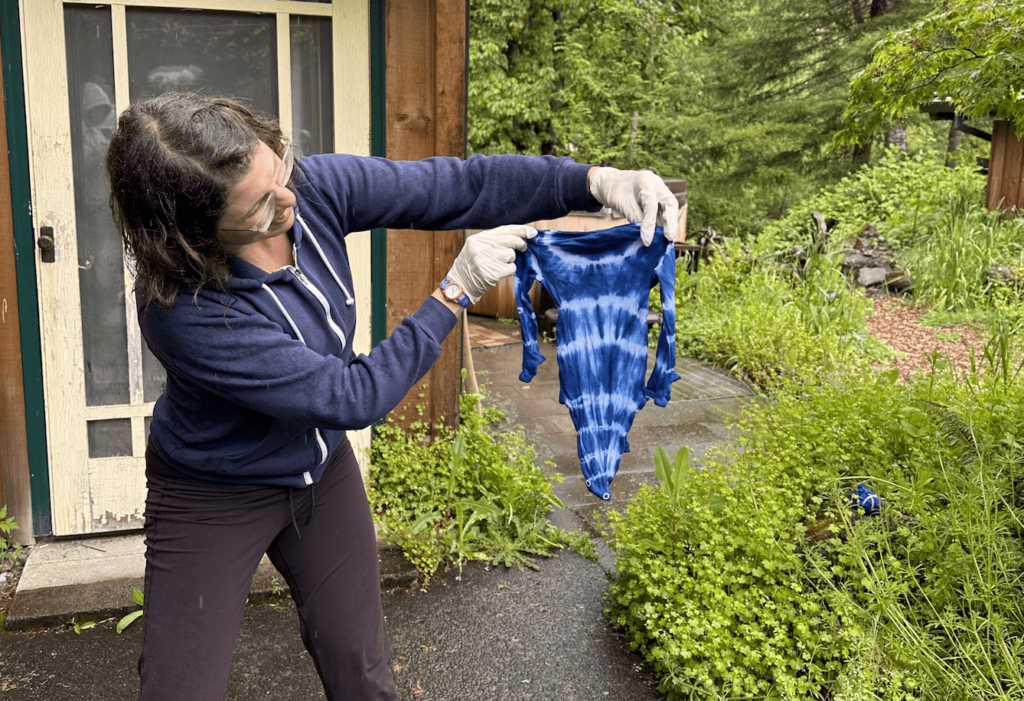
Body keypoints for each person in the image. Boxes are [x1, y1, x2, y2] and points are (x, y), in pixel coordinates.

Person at [104, 92, 678, 701]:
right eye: (260, 209)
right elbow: (350, 396)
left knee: (362, 670)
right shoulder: (182, 310)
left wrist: (597, 180)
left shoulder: (312, 189)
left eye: (278, 172)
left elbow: (459, 186)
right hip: (214, 491)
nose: (289, 201)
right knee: (177, 690)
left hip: (317, 474)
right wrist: (454, 291)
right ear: (192, 234)